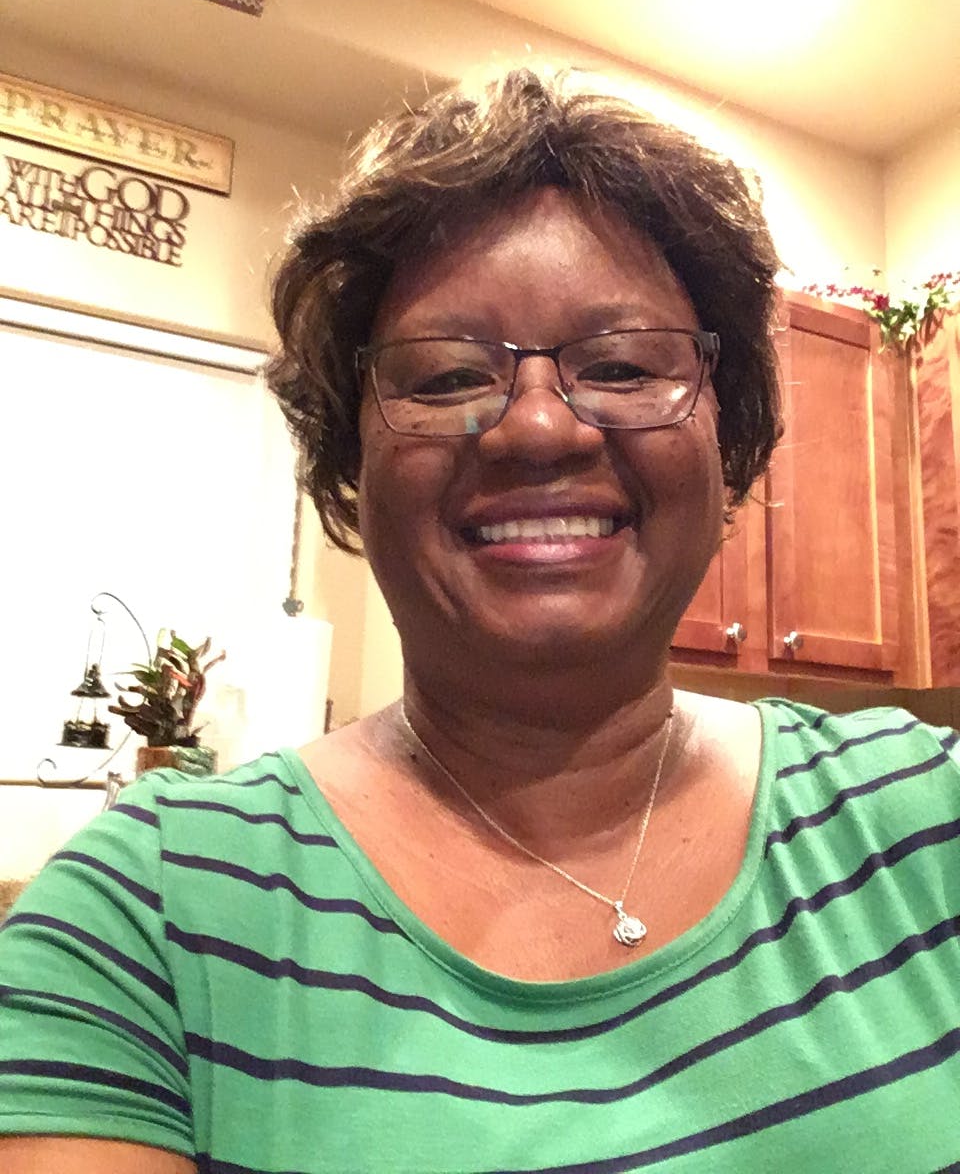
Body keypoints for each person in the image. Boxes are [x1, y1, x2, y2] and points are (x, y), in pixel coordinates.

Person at [1, 68, 958, 1174]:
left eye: (622, 364)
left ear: (725, 433)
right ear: (350, 458)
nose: (540, 428)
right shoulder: (143, 920)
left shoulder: (927, 814)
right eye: (448, 377)